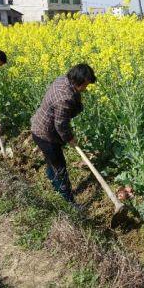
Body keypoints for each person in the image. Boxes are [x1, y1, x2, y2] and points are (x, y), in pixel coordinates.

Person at [31, 63, 97, 203]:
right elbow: (60, 124)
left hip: (39, 126)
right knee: (60, 168)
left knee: (52, 162)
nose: (86, 88)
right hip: (45, 135)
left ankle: (54, 183)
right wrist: (70, 138)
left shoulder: (64, 79)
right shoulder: (64, 98)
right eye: (85, 85)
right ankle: (68, 201)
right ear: (77, 81)